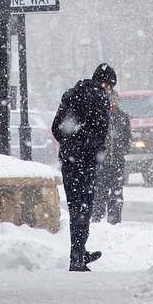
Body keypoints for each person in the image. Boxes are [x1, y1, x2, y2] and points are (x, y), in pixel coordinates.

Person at [52, 63, 116, 271]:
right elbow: (100, 133)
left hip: (69, 162)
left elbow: (56, 128)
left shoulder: (71, 95)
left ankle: (78, 252)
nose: (110, 91)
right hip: (85, 164)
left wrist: (70, 144)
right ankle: (78, 256)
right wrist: (91, 152)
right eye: (111, 86)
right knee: (84, 208)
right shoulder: (99, 99)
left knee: (74, 208)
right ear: (105, 83)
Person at [92, 90, 132, 224]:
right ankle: (97, 218)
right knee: (100, 192)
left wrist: (122, 150)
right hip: (102, 162)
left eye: (115, 99)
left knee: (116, 192)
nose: (113, 102)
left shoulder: (123, 117)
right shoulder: (100, 116)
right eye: (110, 99)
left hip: (117, 162)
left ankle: (114, 220)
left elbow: (127, 137)